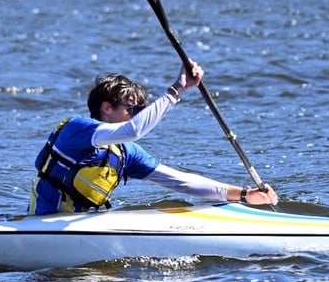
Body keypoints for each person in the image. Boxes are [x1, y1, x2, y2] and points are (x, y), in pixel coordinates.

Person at [28, 62, 278, 215]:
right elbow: (134, 130)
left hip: (80, 229)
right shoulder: (76, 129)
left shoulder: (125, 153)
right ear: (106, 108)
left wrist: (244, 195)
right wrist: (177, 88)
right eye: (133, 110)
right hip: (41, 226)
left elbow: (182, 182)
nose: (137, 117)